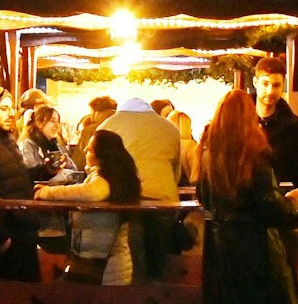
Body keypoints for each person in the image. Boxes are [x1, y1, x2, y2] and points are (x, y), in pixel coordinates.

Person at [198, 88, 298, 304]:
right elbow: (271, 208)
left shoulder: (209, 154)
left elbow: (204, 197)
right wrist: (294, 201)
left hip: (221, 247)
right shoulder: (255, 155)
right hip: (255, 248)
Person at [38, 128, 143, 284]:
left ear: (102, 155)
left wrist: (48, 192)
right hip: (104, 263)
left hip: (104, 269)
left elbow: (92, 192)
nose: (85, 150)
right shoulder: (111, 177)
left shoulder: (103, 179)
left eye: (90, 149)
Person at [104, 95, 183, 281]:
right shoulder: (169, 128)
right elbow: (176, 169)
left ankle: (137, 295)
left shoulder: (108, 126)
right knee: (159, 257)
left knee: (134, 257)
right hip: (164, 200)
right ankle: (156, 293)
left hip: (128, 200)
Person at [0, 91, 42, 281]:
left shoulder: (5, 138)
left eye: (12, 108)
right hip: (8, 235)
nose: (11, 114)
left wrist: (45, 170)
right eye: (3, 108)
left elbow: (17, 178)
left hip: (23, 230)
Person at [254, 56, 298, 189]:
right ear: (255, 82)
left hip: (283, 205)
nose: (270, 91)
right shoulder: (238, 124)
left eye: (276, 85)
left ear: (283, 85)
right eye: (265, 84)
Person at [20, 104, 74, 177]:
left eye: (58, 122)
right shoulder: (28, 145)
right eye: (52, 121)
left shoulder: (57, 146)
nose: (57, 126)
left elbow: (73, 169)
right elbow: (29, 174)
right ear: (39, 123)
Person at [176, 110, 201, 185]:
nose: (191, 129)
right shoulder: (190, 145)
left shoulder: (168, 145)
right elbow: (195, 174)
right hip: (188, 191)